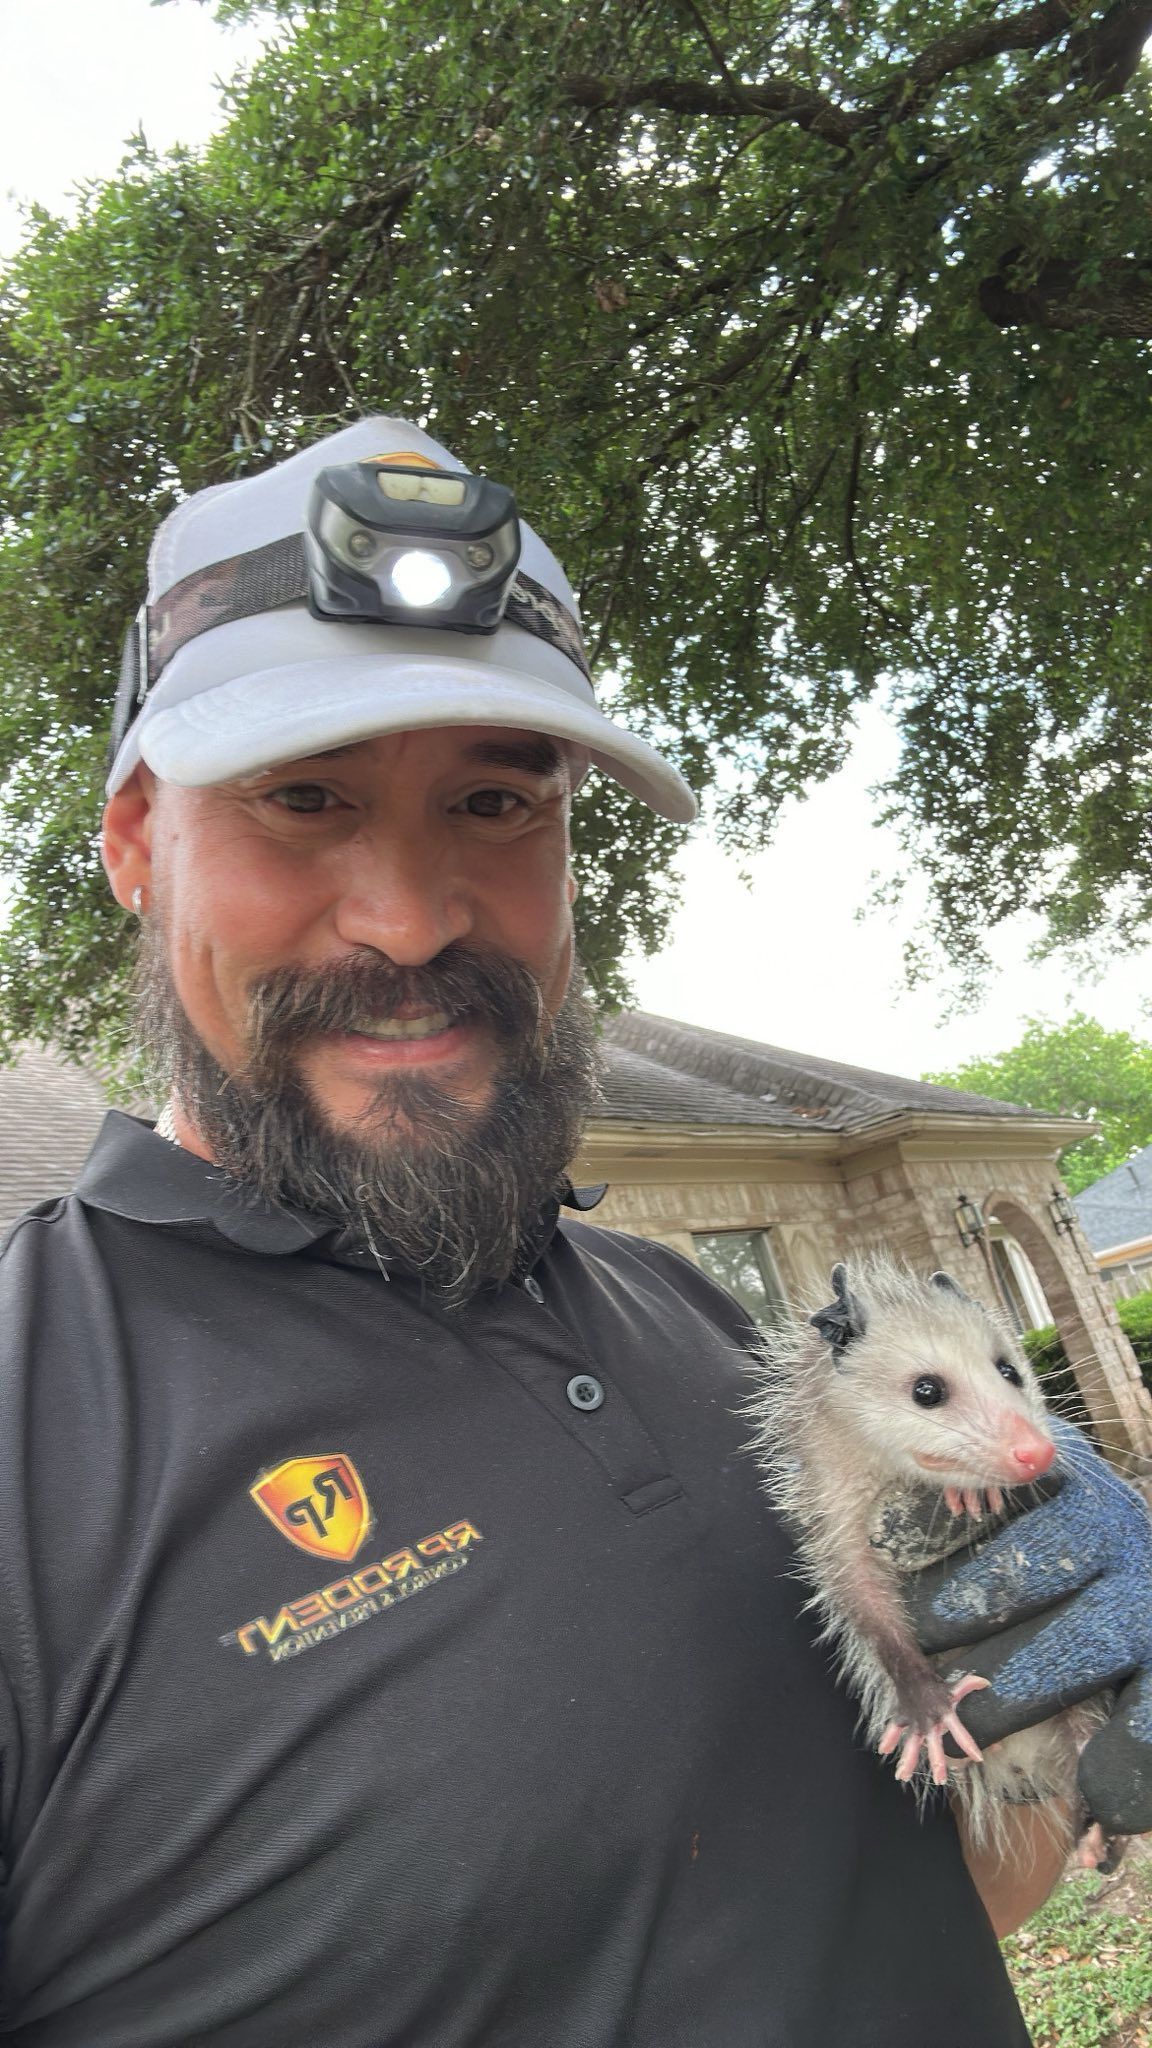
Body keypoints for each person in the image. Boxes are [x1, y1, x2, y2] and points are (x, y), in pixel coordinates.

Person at [0, 414, 1116, 2046]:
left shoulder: (705, 1327)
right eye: (302, 798)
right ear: (131, 845)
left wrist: (1057, 1739)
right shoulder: (36, 1434)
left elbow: (900, 1904)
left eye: (495, 805)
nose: (411, 916)